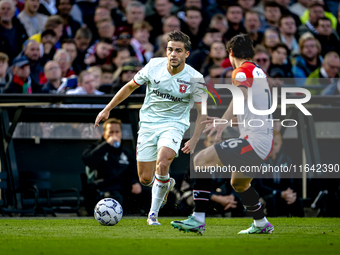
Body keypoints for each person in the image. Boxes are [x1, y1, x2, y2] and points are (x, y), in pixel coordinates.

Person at [94, 30, 207, 225]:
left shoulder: (195, 78)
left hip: (174, 125)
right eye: (170, 49)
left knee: (163, 162)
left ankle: (152, 215)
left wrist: (195, 138)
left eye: (178, 51)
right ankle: (165, 183)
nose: (173, 54)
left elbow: (202, 112)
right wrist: (107, 109)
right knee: (145, 179)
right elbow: (130, 86)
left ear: (186, 54)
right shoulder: (154, 65)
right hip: (148, 124)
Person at [171, 34, 274, 235]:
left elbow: (240, 97)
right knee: (239, 183)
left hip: (254, 141)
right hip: (263, 141)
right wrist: (228, 120)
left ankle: (198, 219)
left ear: (231, 53)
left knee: (200, 160)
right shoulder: (259, 72)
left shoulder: (241, 71)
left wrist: (224, 122)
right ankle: (261, 223)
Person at [82, 118, 143, 214]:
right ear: (104, 134)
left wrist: (135, 182)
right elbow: (88, 159)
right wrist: (107, 144)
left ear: (121, 134)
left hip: (124, 189)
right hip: (102, 190)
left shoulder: (126, 153)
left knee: (147, 193)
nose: (114, 135)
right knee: (115, 198)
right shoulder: (96, 148)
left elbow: (133, 172)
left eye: (117, 132)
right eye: (111, 132)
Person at [252, 130, 305, 217]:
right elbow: (259, 186)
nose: (272, 147)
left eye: (275, 144)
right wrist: (279, 193)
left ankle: (301, 228)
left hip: (283, 195)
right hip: (267, 195)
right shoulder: (258, 161)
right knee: (271, 200)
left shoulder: (286, 160)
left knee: (297, 201)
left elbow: (291, 183)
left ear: (280, 144)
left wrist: (289, 194)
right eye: (270, 144)